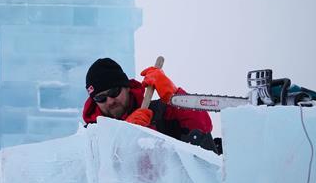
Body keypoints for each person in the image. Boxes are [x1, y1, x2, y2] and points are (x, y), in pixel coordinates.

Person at [81, 58, 219, 153]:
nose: (110, 101)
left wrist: (174, 96)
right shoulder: (91, 134)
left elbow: (202, 128)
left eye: (114, 92)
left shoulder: (160, 112)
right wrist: (124, 133)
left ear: (127, 87)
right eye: (101, 98)